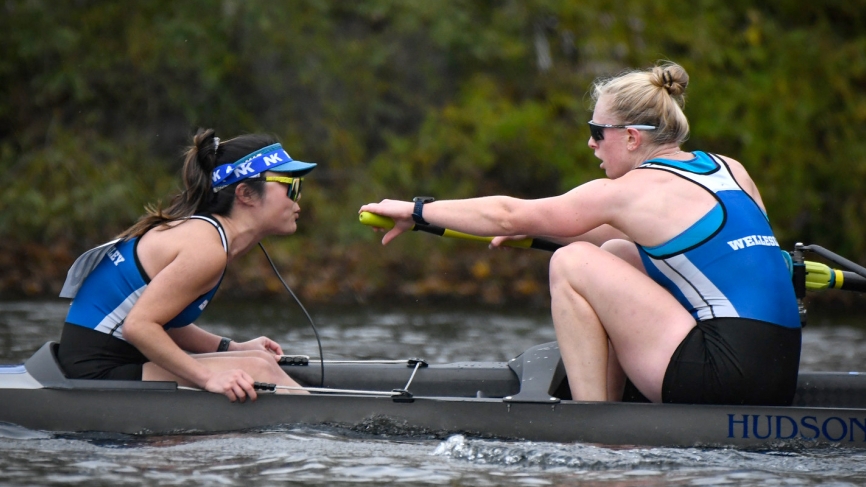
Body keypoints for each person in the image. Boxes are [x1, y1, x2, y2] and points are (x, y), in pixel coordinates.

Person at [359, 62, 801, 406]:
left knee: (570, 265)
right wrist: (542, 230)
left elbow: (508, 214)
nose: (590, 144)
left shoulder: (628, 192)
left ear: (630, 138)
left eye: (596, 132)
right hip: (780, 375)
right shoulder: (730, 170)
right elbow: (666, 241)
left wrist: (416, 211)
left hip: (719, 377)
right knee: (618, 251)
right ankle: (610, 402)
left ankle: (593, 421)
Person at [57, 128, 315, 402]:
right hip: (92, 374)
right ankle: (325, 427)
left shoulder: (204, 236)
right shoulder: (205, 249)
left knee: (256, 359)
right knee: (259, 368)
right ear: (245, 194)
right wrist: (209, 378)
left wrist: (231, 348)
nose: (298, 197)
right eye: (291, 186)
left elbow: (160, 317)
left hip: (111, 359)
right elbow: (139, 326)